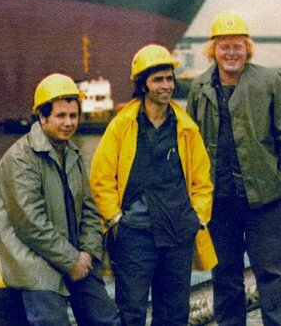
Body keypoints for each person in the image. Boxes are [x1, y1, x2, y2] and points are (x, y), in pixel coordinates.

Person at [186, 11, 281, 326]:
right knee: (225, 276)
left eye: (237, 46)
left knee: (272, 276)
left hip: (266, 198)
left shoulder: (268, 82)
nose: (231, 53)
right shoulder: (199, 88)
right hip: (219, 200)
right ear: (213, 51)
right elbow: (190, 142)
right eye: (224, 47)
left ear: (247, 49)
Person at [90, 44, 216, 326]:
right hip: (134, 235)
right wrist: (115, 218)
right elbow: (101, 177)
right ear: (143, 84)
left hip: (177, 232)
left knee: (173, 314)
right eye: (158, 79)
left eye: (170, 78)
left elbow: (202, 181)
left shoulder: (186, 129)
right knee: (132, 311)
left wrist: (196, 217)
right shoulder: (122, 126)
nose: (167, 85)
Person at [0, 73, 119, 326]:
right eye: (61, 116)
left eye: (73, 116)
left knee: (107, 320)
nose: (69, 123)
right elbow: (30, 224)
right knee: (52, 322)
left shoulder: (72, 153)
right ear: (42, 116)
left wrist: (87, 253)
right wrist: (71, 260)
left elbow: (90, 210)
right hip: (36, 262)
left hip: (76, 258)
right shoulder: (20, 159)